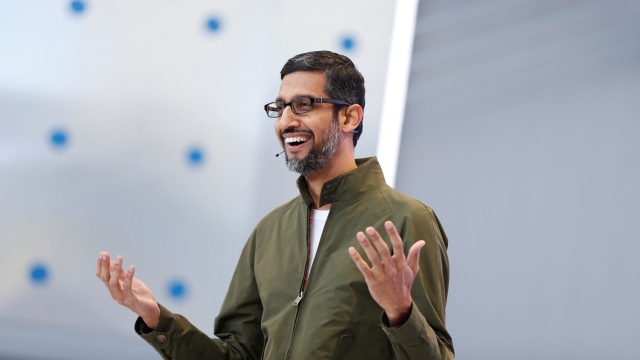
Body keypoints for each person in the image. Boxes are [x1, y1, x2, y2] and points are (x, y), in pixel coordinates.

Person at [96, 50, 454, 359]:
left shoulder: (406, 220)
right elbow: (238, 355)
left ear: (349, 117)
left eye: (304, 105)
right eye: (280, 108)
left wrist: (400, 311)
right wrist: (159, 320)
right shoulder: (270, 231)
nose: (286, 122)